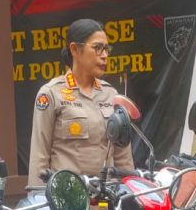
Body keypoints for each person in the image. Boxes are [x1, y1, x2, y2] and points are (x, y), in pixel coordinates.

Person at [27, 19, 134, 186]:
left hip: (107, 195)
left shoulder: (111, 94)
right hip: (68, 196)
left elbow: (123, 158)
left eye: (106, 49)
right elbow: (39, 157)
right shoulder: (51, 93)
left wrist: (131, 191)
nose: (104, 55)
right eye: (97, 48)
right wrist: (37, 197)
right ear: (75, 49)